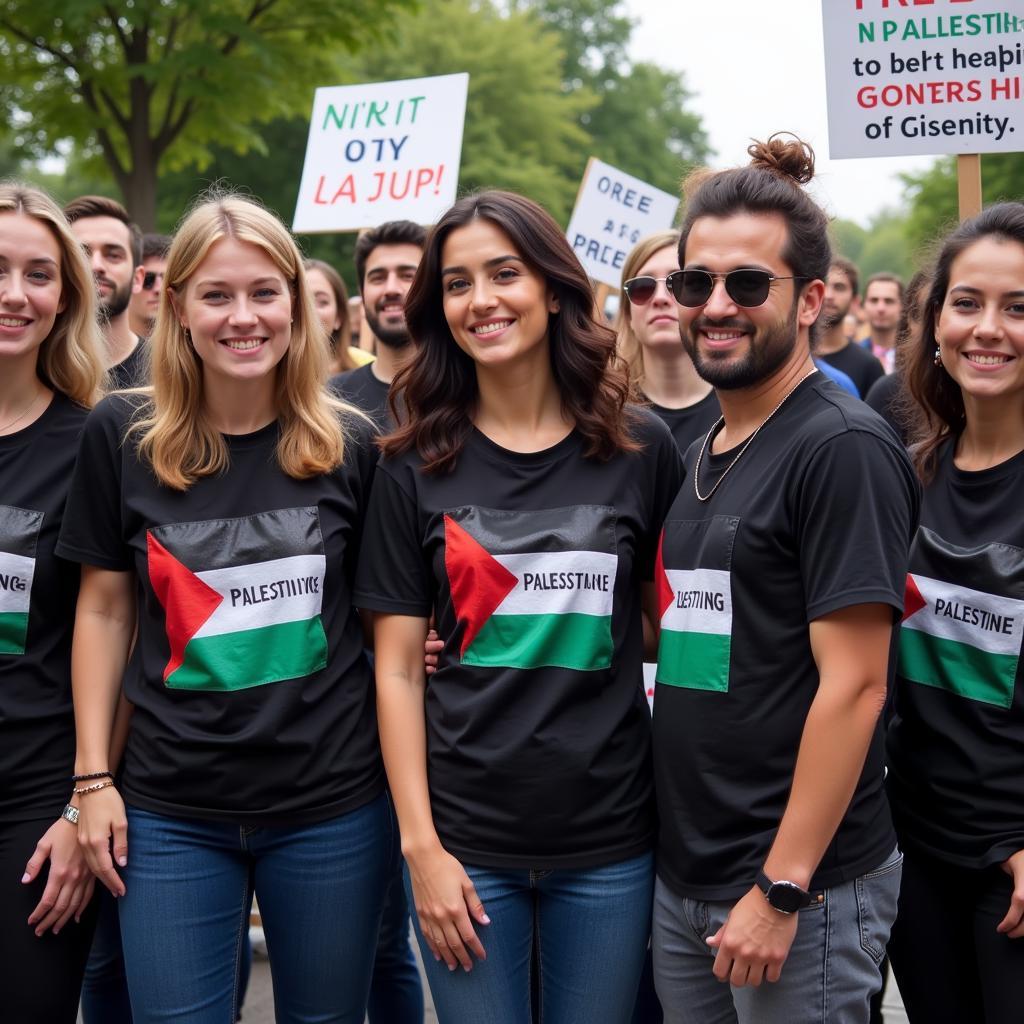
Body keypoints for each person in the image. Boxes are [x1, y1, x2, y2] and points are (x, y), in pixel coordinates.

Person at [56, 193, 392, 1024]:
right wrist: (92, 777)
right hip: (170, 812)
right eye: (216, 295)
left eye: (264, 292)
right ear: (176, 308)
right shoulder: (121, 432)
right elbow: (102, 611)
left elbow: (385, 621)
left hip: (333, 808)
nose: (244, 317)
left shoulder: (354, 443)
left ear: (296, 304)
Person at [354, 190, 683, 1024]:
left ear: (553, 288)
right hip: (463, 842)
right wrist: (419, 849)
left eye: (504, 273)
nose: (482, 300)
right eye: (457, 284)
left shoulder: (642, 448)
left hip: (609, 838)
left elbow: (662, 627)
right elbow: (394, 670)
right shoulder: (411, 462)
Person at [650, 136, 919, 1023]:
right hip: (690, 877)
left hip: (795, 891)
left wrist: (782, 886)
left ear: (809, 300)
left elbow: (857, 685)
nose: (715, 306)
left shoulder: (840, 448)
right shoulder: (703, 450)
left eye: (747, 285)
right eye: (695, 283)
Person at [885, 202, 1024, 1024]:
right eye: (966, 302)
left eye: (1019, 307)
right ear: (934, 319)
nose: (988, 328)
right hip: (912, 847)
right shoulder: (901, 477)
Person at [0, 182, 106, 1022]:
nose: (15, 294)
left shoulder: (95, 446)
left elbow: (114, 637)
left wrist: (80, 808)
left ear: (64, 295)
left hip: (33, 809)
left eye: (39, 274)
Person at [619, 231, 721, 456]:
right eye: (642, 288)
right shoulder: (601, 411)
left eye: (678, 283)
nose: (660, 298)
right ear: (628, 315)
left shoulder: (742, 409)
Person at [331, 221, 427, 428]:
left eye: (407, 276)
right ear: (362, 292)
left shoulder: (470, 394)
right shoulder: (331, 402)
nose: (391, 289)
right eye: (378, 278)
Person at [64, 195, 147, 388]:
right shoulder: (33, 371)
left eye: (113, 255)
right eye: (82, 253)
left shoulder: (169, 374)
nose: (96, 266)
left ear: (138, 278)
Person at [816, 257, 885, 398]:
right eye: (823, 284)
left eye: (839, 287)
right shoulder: (790, 358)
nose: (829, 295)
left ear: (855, 301)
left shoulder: (869, 365)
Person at [305, 257, 373, 374]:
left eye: (322, 302)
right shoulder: (267, 373)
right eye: (302, 301)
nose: (311, 311)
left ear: (339, 317)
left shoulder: (367, 367)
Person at [127, 233, 171, 341]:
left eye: (168, 280)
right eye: (148, 279)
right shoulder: (97, 349)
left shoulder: (192, 352)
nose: (159, 289)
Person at [861, 272, 904, 375]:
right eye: (874, 300)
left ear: (903, 306)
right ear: (864, 305)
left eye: (889, 301)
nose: (880, 308)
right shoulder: (853, 356)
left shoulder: (914, 357)